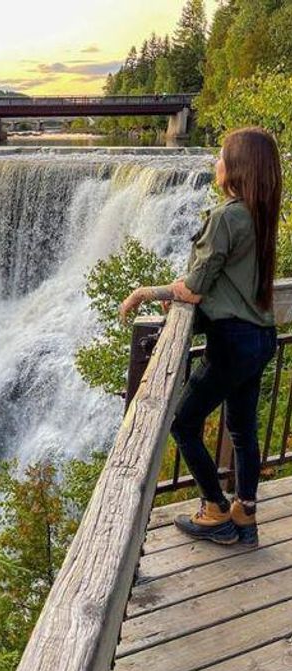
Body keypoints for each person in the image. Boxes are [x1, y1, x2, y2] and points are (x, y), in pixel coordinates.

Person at [119, 127, 282, 548]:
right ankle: (245, 515)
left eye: (222, 157)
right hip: (261, 337)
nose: (216, 164)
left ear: (237, 168)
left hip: (231, 342)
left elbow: (193, 290)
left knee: (183, 421)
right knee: (244, 432)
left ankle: (214, 510)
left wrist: (145, 292)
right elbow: (209, 278)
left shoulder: (227, 217)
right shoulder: (257, 215)